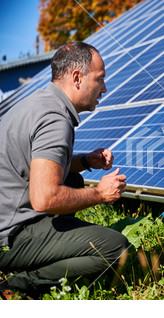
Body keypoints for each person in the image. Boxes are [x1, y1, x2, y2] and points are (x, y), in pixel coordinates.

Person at [0, 41, 129, 299]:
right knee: (117, 248)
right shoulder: (55, 119)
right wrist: (101, 194)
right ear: (78, 77)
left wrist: (83, 161)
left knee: (72, 179)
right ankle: (18, 287)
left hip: (6, 216)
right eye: (100, 79)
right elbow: (44, 198)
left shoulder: (37, 103)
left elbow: (35, 164)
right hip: (8, 237)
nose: (104, 89)